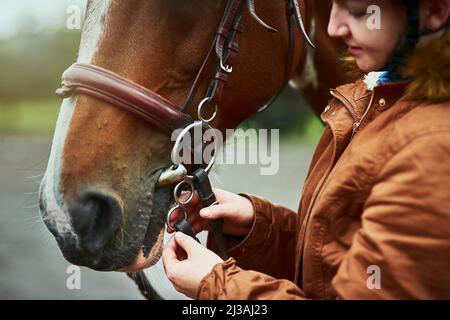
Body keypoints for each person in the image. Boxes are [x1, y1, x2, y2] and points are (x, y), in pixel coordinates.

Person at [162, 0, 450, 299]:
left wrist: (219, 285)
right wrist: (258, 226)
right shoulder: (375, 102)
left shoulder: (432, 149)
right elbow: (339, 261)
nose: (333, 28)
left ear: (433, 12)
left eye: (358, 11)